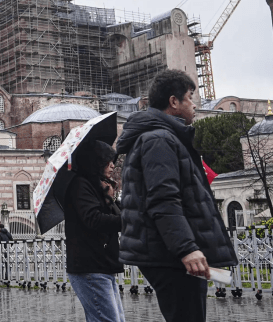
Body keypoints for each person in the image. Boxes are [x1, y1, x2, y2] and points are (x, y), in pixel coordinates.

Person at [117, 70, 238, 322]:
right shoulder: (159, 140)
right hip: (170, 255)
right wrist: (186, 249)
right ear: (174, 102)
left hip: (167, 252)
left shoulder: (161, 137)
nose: (194, 104)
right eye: (190, 97)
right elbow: (163, 200)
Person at [63, 140, 125, 322]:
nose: (112, 165)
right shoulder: (81, 186)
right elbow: (94, 219)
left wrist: (110, 199)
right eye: (107, 161)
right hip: (90, 266)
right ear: (96, 162)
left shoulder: (98, 187)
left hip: (102, 264)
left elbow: (114, 216)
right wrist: (128, 221)